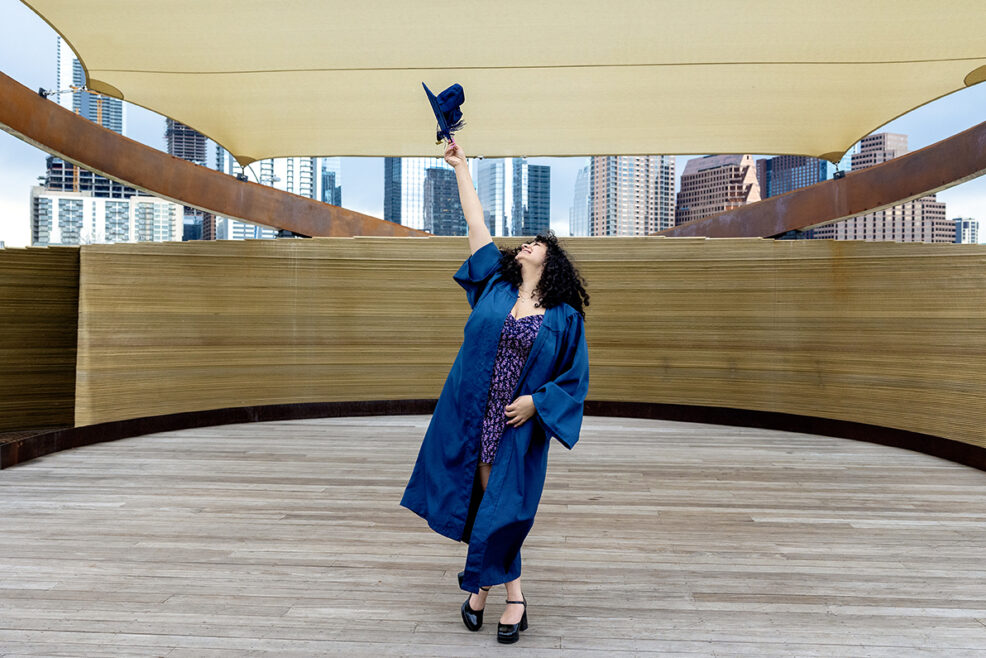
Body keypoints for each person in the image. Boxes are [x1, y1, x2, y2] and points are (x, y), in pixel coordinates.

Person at [399, 141, 590, 645]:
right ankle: (509, 597)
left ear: (552, 262)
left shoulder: (565, 318)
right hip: (473, 414)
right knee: (487, 501)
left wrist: (537, 403)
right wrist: (461, 167)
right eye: (525, 242)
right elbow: (475, 221)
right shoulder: (495, 287)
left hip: (517, 424)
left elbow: (575, 379)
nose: (525, 245)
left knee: (505, 505)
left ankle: (485, 593)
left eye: (536, 244)